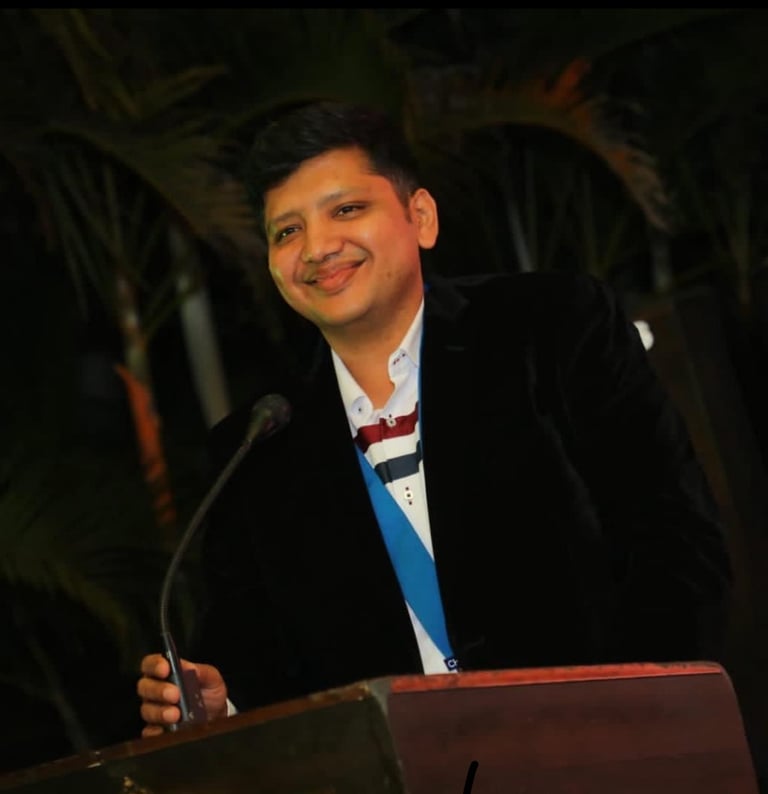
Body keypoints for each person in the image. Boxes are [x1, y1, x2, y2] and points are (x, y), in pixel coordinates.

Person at [137, 99, 733, 736]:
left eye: (346, 209)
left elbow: (677, 544)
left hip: (606, 743)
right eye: (287, 231)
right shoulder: (257, 445)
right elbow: (256, 660)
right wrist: (219, 703)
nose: (318, 247)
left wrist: (625, 724)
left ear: (420, 217)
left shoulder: (552, 330)